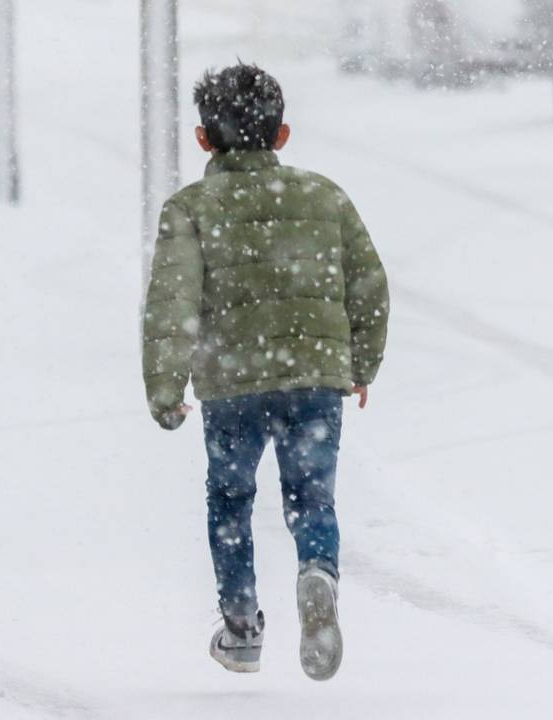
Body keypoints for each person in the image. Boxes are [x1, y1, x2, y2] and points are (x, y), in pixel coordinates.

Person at [141, 62, 389, 681]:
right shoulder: (324, 196)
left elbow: (173, 302)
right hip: (314, 377)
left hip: (232, 385)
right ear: (282, 137)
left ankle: (243, 628)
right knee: (311, 496)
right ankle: (317, 572)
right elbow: (369, 285)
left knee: (230, 498)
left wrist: (166, 389)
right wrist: (361, 364)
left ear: (203, 139)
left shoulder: (190, 208)